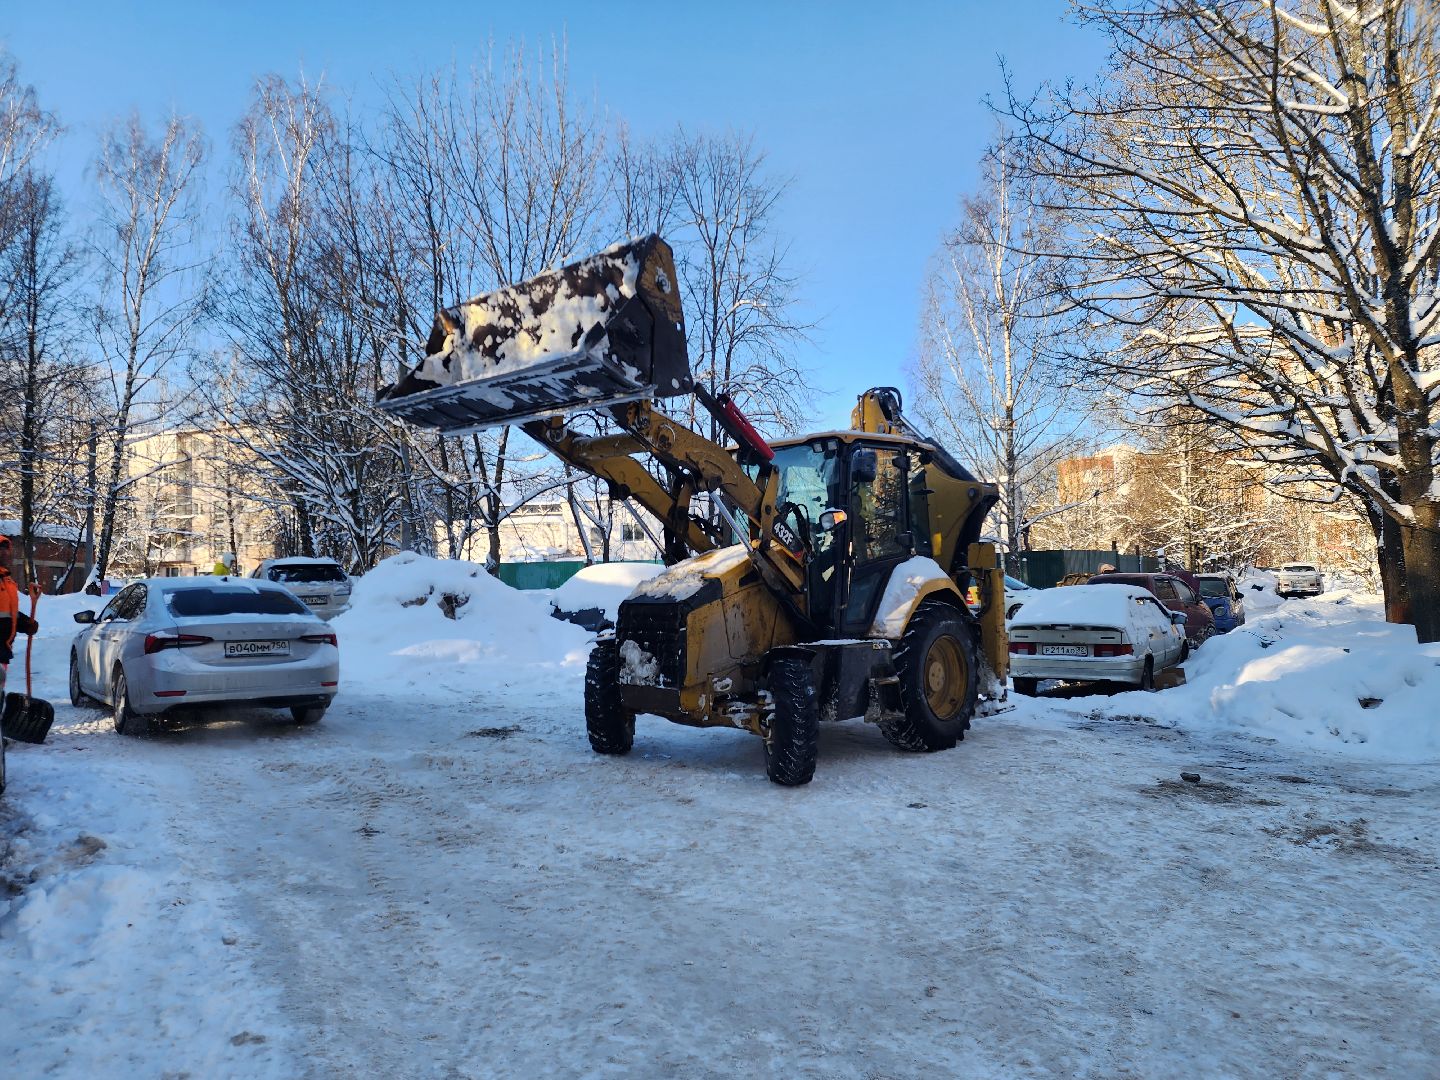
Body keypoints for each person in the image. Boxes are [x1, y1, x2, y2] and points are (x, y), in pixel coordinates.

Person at [0, 536, 40, 695]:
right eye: (0, 550)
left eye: (6, 550)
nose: (4, 554)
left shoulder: (7, 581)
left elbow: (8, 613)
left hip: (3, 648)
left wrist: (25, 623)